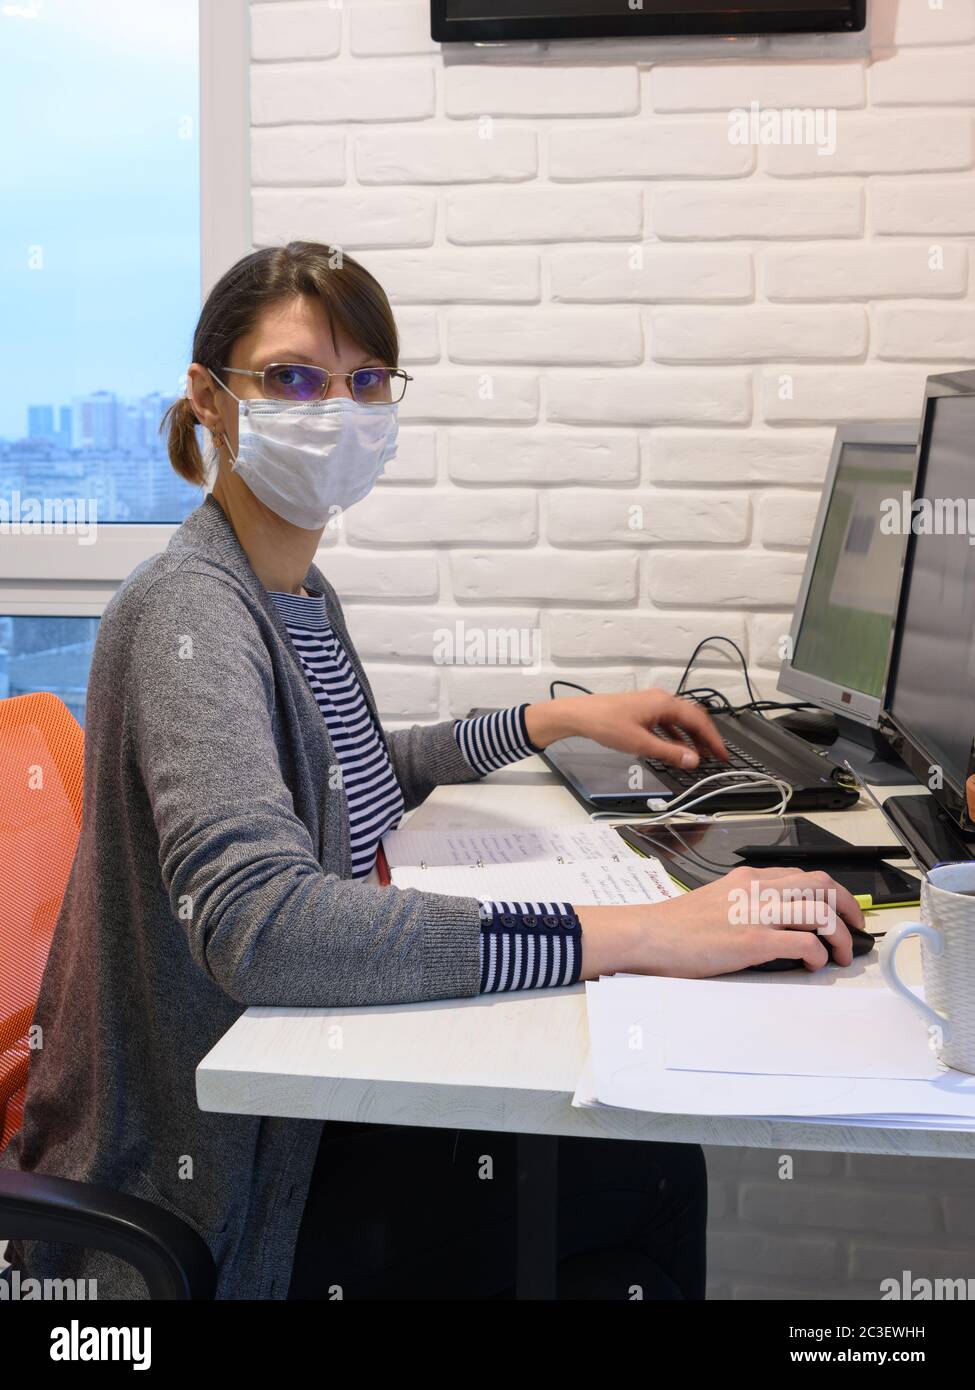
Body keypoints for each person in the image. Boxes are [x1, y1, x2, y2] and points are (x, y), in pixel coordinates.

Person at [0, 242, 862, 1301]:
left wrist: (553, 717)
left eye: (365, 383)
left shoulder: (296, 592)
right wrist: (644, 933)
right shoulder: (190, 606)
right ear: (211, 399)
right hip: (226, 1180)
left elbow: (357, 783)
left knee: (629, 1170)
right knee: (644, 1179)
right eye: (294, 378)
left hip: (299, 1108)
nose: (336, 409)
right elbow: (259, 923)